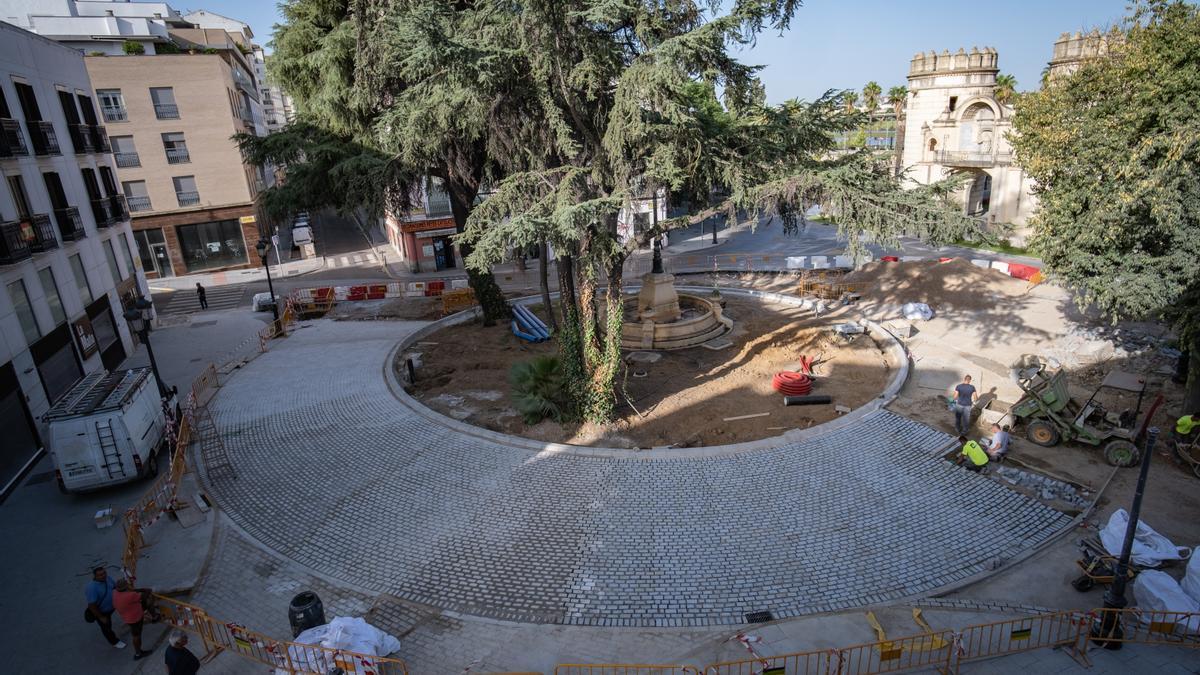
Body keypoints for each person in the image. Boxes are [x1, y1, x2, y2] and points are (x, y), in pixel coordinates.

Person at [85, 567, 125, 650]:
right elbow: (92, 605)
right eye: (100, 575)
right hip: (102, 612)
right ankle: (114, 642)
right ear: (95, 576)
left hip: (113, 606)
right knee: (106, 627)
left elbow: (114, 587)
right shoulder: (92, 588)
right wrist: (101, 617)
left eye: (104, 573)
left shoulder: (108, 579)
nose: (103, 576)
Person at [113, 578, 153, 659]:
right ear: (126, 586)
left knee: (136, 635)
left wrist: (140, 589)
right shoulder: (130, 595)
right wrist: (146, 590)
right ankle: (138, 653)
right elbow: (145, 594)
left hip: (127, 617)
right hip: (135, 618)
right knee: (136, 636)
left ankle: (154, 616)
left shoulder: (115, 593)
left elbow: (132, 591)